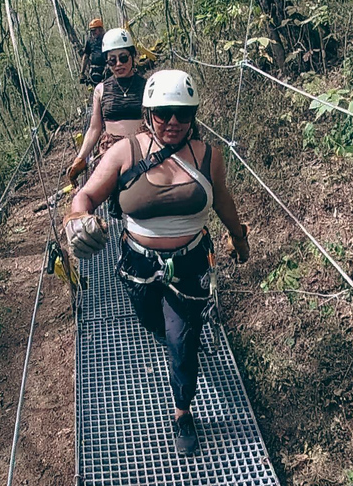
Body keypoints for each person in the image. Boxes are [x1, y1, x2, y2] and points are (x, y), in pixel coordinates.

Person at [64, 70, 250, 456]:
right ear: (149, 113)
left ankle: (183, 412)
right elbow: (84, 199)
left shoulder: (207, 156)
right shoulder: (124, 153)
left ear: (193, 115)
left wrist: (238, 234)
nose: (172, 122)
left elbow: (222, 200)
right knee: (155, 323)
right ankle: (178, 340)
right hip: (138, 265)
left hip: (191, 263)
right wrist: (76, 220)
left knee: (182, 341)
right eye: (163, 113)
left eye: (182, 114)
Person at [67, 28, 146, 187]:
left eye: (123, 58)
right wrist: (80, 158)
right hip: (111, 154)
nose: (118, 64)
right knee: (113, 204)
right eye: (112, 60)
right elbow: (94, 128)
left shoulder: (147, 86)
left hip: (142, 152)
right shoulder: (101, 90)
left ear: (132, 56)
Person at [79, 18, 106, 85]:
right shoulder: (90, 41)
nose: (92, 32)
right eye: (91, 31)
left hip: (106, 69)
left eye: (94, 30)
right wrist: (82, 73)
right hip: (95, 70)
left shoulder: (107, 38)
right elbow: (86, 56)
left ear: (100, 29)